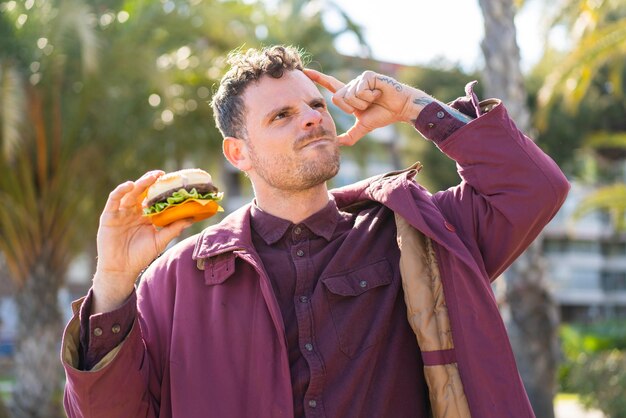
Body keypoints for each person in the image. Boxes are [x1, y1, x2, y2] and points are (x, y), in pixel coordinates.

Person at [61, 45, 569, 418]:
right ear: (238, 153)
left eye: (316, 106)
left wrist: (416, 108)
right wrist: (111, 281)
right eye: (282, 115)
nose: (310, 119)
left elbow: (533, 188)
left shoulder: (419, 234)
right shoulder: (175, 278)